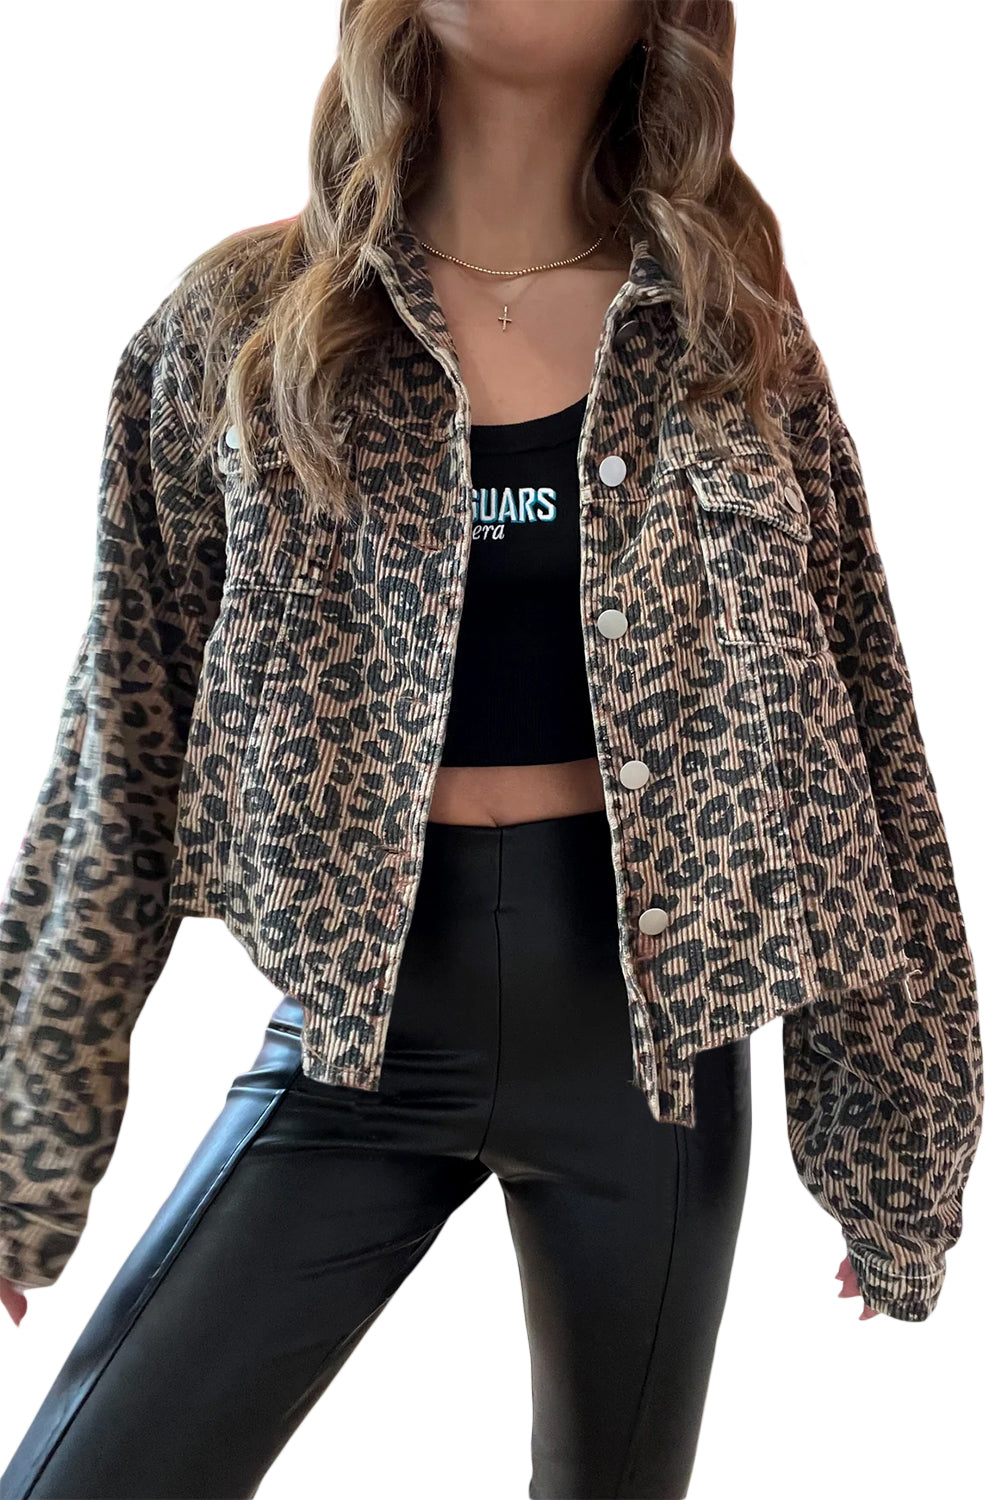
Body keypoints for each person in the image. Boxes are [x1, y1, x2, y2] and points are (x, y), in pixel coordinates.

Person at [0, 2, 983, 1497]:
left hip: (654, 1065)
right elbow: (116, 750)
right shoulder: (235, 329)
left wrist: (893, 1150)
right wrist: (22, 1146)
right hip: (359, 1042)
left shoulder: (735, 349)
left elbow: (864, 757)